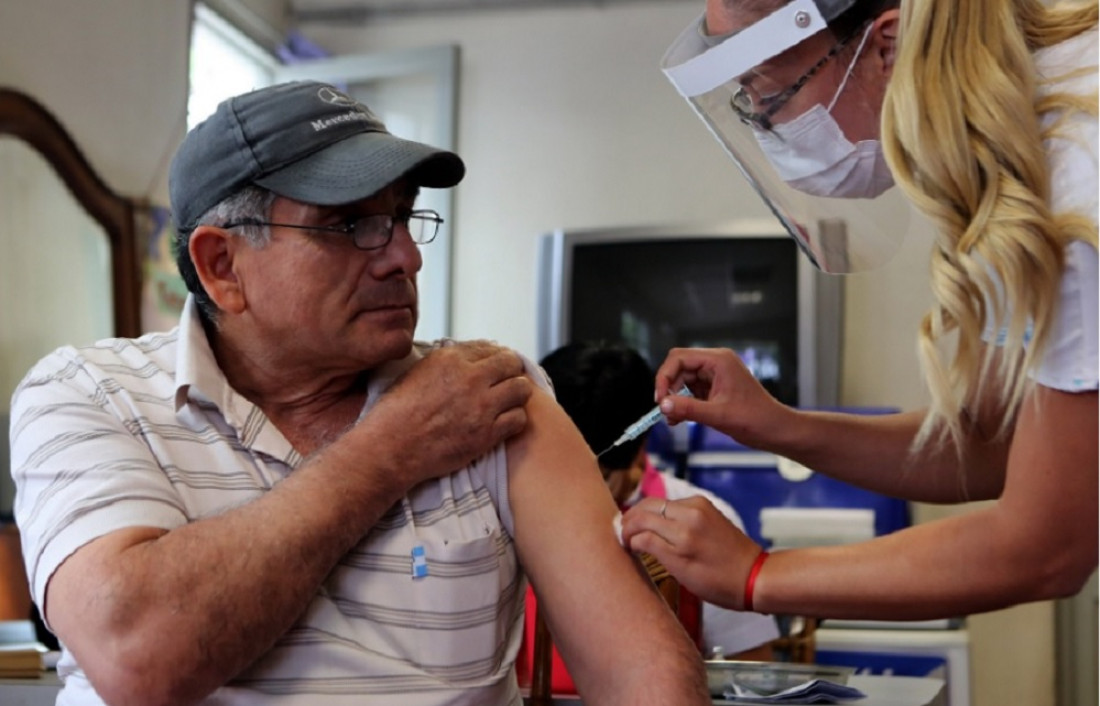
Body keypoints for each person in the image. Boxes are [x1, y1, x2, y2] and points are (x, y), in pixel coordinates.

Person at [9, 81, 709, 705]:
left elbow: (638, 671)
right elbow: (138, 659)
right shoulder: (89, 395)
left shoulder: (489, 395)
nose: (405, 255)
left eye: (403, 216)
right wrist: (389, 448)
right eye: (350, 225)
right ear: (222, 266)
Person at [621, 0, 1098, 621]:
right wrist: (778, 426)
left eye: (769, 97)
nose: (768, 129)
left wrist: (757, 576)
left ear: (887, 45)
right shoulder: (1024, 143)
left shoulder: (1074, 178)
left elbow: (1047, 548)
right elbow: (996, 444)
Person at [516, 341, 777, 693]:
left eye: (600, 475)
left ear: (639, 446)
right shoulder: (507, 510)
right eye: (557, 470)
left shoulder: (698, 521)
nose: (576, 495)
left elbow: (752, 676)